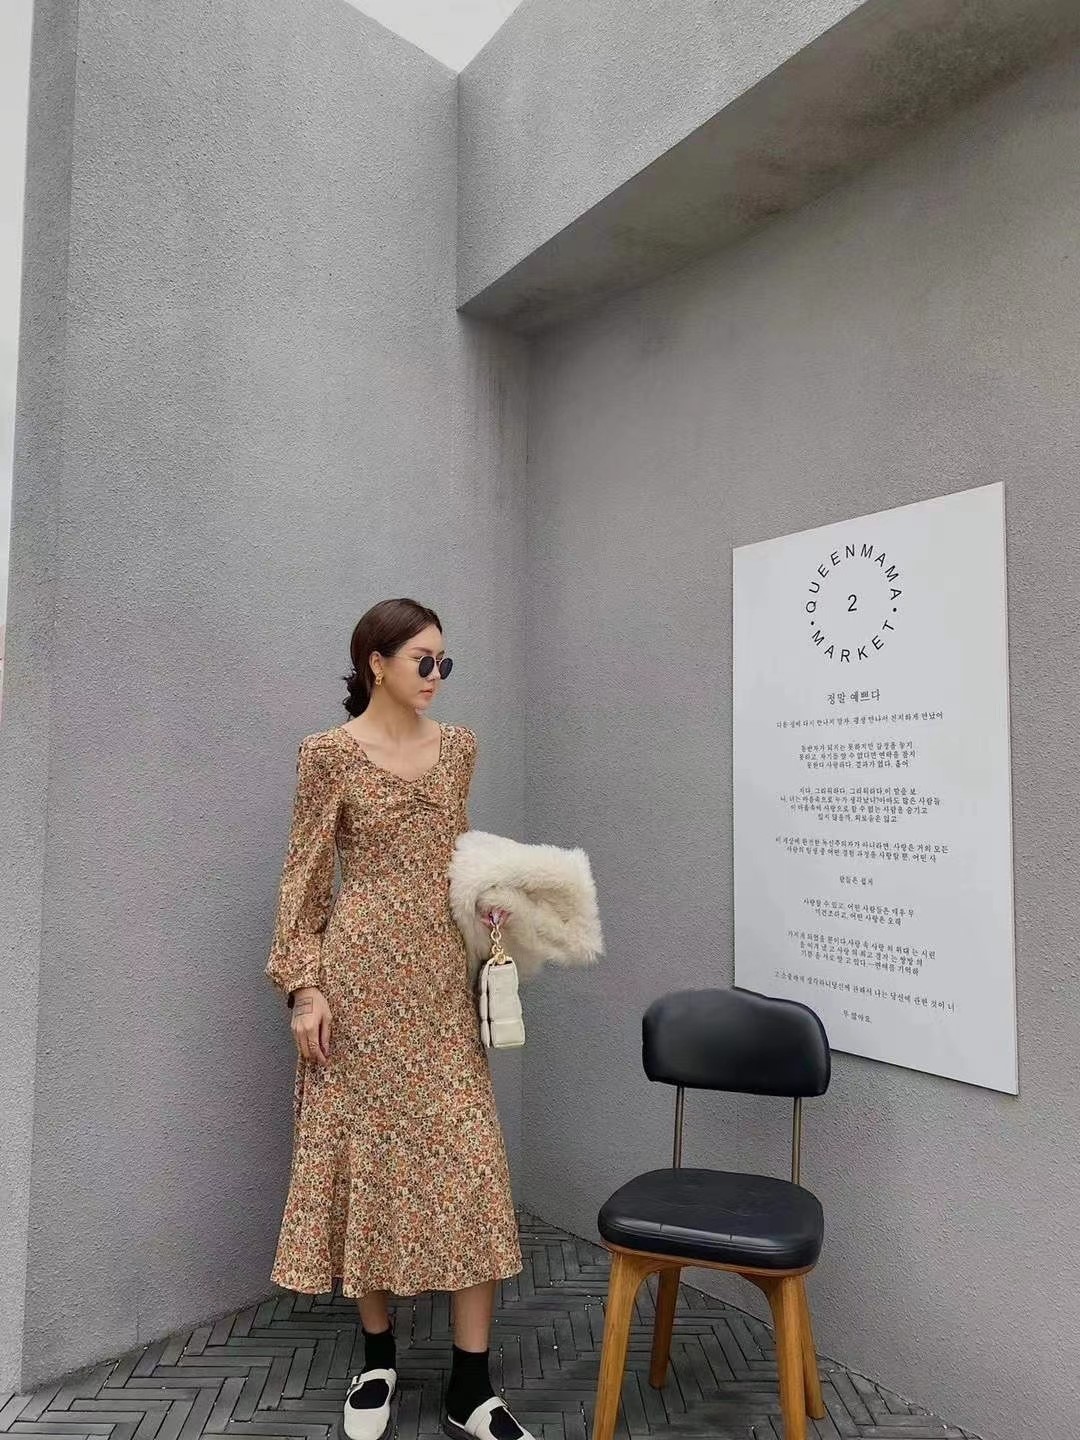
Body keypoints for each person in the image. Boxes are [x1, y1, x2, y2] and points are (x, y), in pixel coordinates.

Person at [264, 597, 531, 1440]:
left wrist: (491, 902)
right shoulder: (327, 756)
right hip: (360, 991)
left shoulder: (461, 748)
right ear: (375, 663)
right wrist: (306, 989)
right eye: (423, 659)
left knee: (473, 1168)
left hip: (441, 986)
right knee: (367, 1165)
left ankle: (470, 1388)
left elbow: (458, 857)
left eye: (445, 661)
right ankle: (377, 1358)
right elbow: (304, 883)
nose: (436, 675)